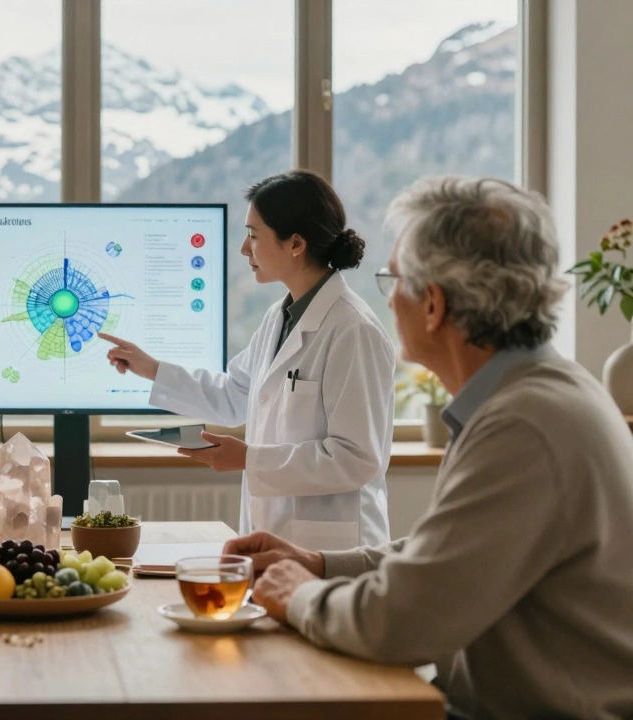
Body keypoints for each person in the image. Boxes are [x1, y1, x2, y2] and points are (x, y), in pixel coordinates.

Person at [228, 176, 633, 720]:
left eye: (392, 279)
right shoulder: (541, 396)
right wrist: (319, 564)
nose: (387, 297)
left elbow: (404, 622)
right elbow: (447, 554)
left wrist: (298, 594)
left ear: (433, 304)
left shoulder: (524, 427)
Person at [101, 170, 394, 550]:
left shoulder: (353, 330)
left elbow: (356, 458)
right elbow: (235, 394)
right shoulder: (281, 316)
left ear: (296, 244)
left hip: (333, 551)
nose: (243, 248)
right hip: (278, 540)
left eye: (254, 235)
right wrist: (151, 369)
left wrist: (250, 460)